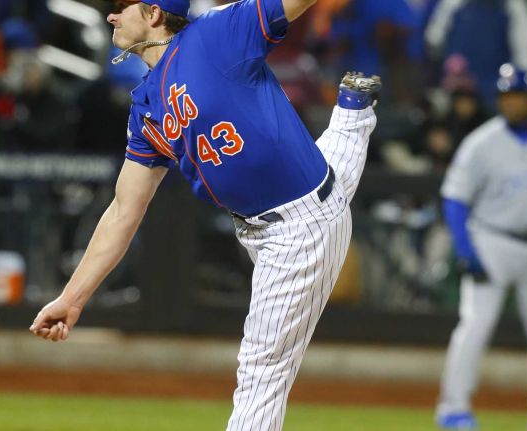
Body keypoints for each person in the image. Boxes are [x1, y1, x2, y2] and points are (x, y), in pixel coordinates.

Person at [29, 0, 381, 429]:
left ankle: (351, 115)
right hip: (272, 219)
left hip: (296, 231)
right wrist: (72, 298)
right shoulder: (146, 105)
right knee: (328, 180)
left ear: (154, 13)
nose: (111, 15)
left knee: (262, 370)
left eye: (122, 6)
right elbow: (123, 210)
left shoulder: (218, 33)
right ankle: (353, 111)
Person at [436, 63, 527, 431]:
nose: (511, 102)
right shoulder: (482, 142)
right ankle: (453, 408)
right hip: (491, 240)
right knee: (475, 327)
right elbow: (454, 199)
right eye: (506, 95)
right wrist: (466, 249)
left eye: (518, 95)